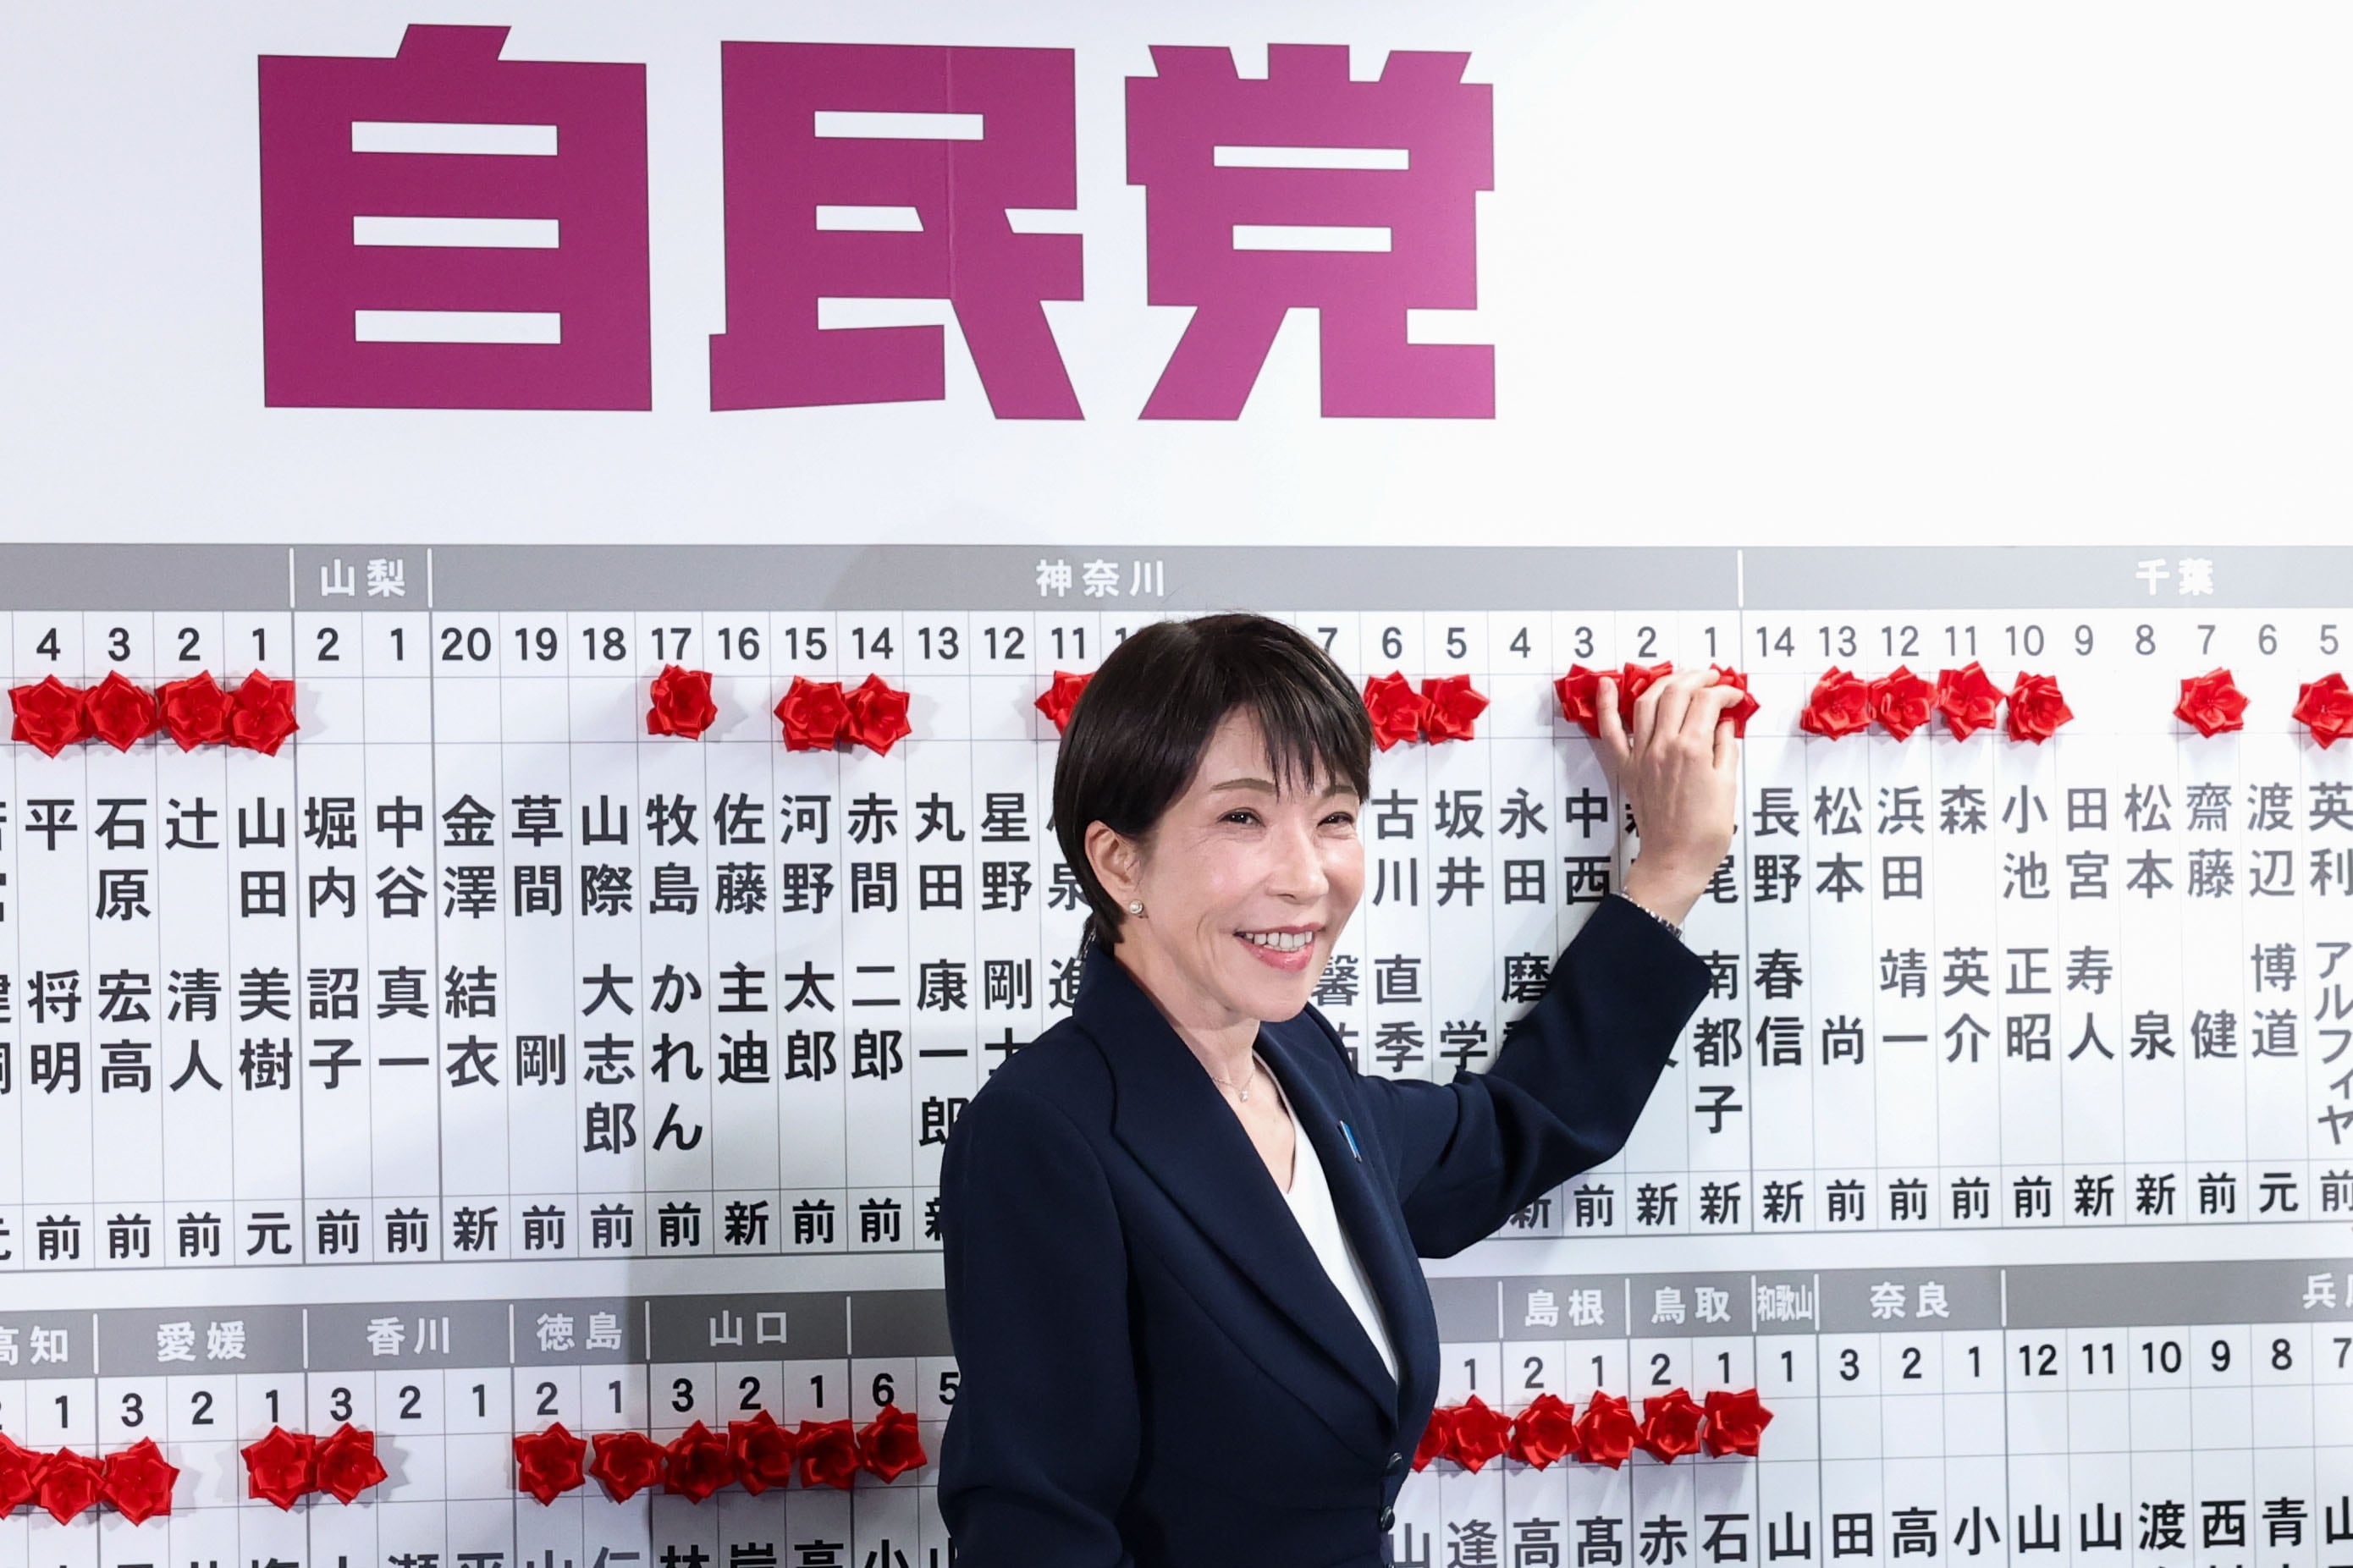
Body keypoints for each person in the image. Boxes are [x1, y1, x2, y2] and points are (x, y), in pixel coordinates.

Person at [938, 613, 1742, 1566]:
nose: (1307, 875)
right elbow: (1036, 1535)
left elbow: (1505, 1133)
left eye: (1333, 817)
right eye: (1242, 817)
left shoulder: (1295, 1057)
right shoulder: (1045, 1131)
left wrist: (1668, 871)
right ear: (1120, 860)